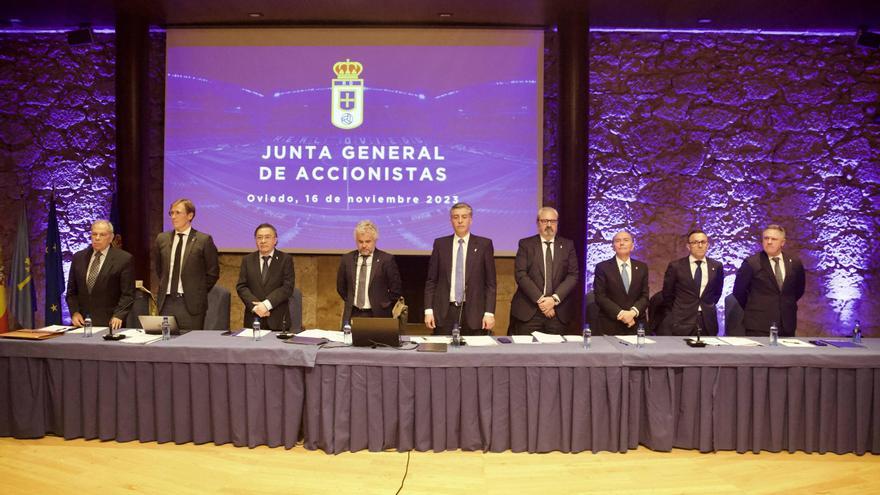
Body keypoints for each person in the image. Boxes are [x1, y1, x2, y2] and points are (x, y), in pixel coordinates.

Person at [424, 202, 496, 336]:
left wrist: (489, 313)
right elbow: (431, 281)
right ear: (451, 220)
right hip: (445, 312)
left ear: (471, 219)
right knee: (443, 355)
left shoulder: (484, 245)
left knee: (472, 356)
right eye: (456, 217)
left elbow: (490, 284)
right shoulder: (440, 244)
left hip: (475, 313)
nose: (460, 221)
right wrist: (428, 311)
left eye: (464, 216)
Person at [509, 207, 579, 335]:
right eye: (544, 221)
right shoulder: (526, 244)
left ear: (557, 223)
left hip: (557, 313)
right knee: (525, 353)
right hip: (529, 312)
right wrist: (542, 301)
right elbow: (520, 274)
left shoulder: (568, 245)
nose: (548, 225)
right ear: (538, 223)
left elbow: (573, 275)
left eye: (552, 221)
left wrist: (553, 300)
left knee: (556, 354)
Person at [153, 198, 219, 331]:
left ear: (190, 215)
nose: (173, 216)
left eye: (178, 212)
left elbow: (212, 273)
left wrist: (197, 291)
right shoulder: (162, 239)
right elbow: (159, 269)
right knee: (166, 345)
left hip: (191, 304)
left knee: (190, 345)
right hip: (166, 302)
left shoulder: (203, 240)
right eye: (171, 213)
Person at [732, 224, 806, 337]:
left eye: (774, 239)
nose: (769, 242)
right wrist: (756, 306)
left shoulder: (794, 263)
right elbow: (739, 292)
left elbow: (798, 290)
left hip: (786, 324)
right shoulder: (752, 263)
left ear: (783, 242)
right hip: (758, 325)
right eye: (766, 238)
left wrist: (784, 304)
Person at [66, 220, 134, 330]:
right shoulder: (78, 258)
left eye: (102, 235)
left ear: (111, 237)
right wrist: (74, 312)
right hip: (82, 323)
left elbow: (128, 294)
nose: (97, 238)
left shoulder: (124, 259)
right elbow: (71, 292)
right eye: (94, 234)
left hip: (111, 323)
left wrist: (119, 315)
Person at [336, 220, 402, 326]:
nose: (364, 245)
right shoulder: (347, 259)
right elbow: (341, 287)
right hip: (353, 313)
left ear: (375, 241)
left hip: (378, 314)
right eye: (360, 242)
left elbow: (396, 289)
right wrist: (351, 301)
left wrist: (384, 304)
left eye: (367, 241)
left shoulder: (386, 259)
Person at [660, 229, 724, 336]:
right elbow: (667, 294)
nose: (700, 245)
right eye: (695, 242)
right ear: (688, 246)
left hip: (707, 321)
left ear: (707, 245)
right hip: (682, 321)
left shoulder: (716, 266)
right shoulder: (676, 266)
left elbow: (717, 292)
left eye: (703, 242)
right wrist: (681, 309)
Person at [236, 223, 295, 331]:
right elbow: (241, 286)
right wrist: (256, 307)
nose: (263, 241)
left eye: (267, 237)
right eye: (259, 237)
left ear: (275, 240)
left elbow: (287, 287)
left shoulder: (285, 259)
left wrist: (266, 305)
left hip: (278, 320)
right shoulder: (247, 260)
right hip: (253, 318)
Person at [592, 230, 649, 335]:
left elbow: (645, 296)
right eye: (617, 241)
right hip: (610, 324)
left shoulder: (642, 267)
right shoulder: (602, 267)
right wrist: (622, 314)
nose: (622, 243)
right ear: (613, 246)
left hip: (636, 323)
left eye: (626, 240)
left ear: (632, 246)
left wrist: (632, 313)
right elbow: (600, 296)